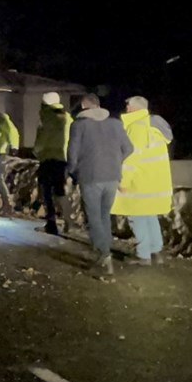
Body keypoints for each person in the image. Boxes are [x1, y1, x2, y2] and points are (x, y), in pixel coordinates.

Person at [66, 94, 133, 274]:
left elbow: (72, 153)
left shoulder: (79, 125)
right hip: (112, 176)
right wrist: (115, 162)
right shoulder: (116, 124)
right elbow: (129, 148)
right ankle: (104, 250)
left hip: (90, 176)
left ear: (83, 106)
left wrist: (72, 171)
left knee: (93, 217)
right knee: (104, 215)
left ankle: (104, 255)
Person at [111, 96, 174, 266]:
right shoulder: (153, 127)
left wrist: (123, 182)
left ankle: (143, 254)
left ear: (136, 108)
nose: (126, 108)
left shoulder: (136, 128)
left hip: (139, 183)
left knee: (137, 217)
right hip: (154, 182)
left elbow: (131, 159)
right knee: (149, 216)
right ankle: (156, 251)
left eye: (128, 105)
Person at [33, 92, 74, 236]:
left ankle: (51, 224)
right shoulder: (67, 117)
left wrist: (37, 151)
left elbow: (41, 141)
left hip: (48, 158)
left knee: (47, 192)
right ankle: (69, 222)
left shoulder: (47, 117)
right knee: (61, 191)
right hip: (62, 159)